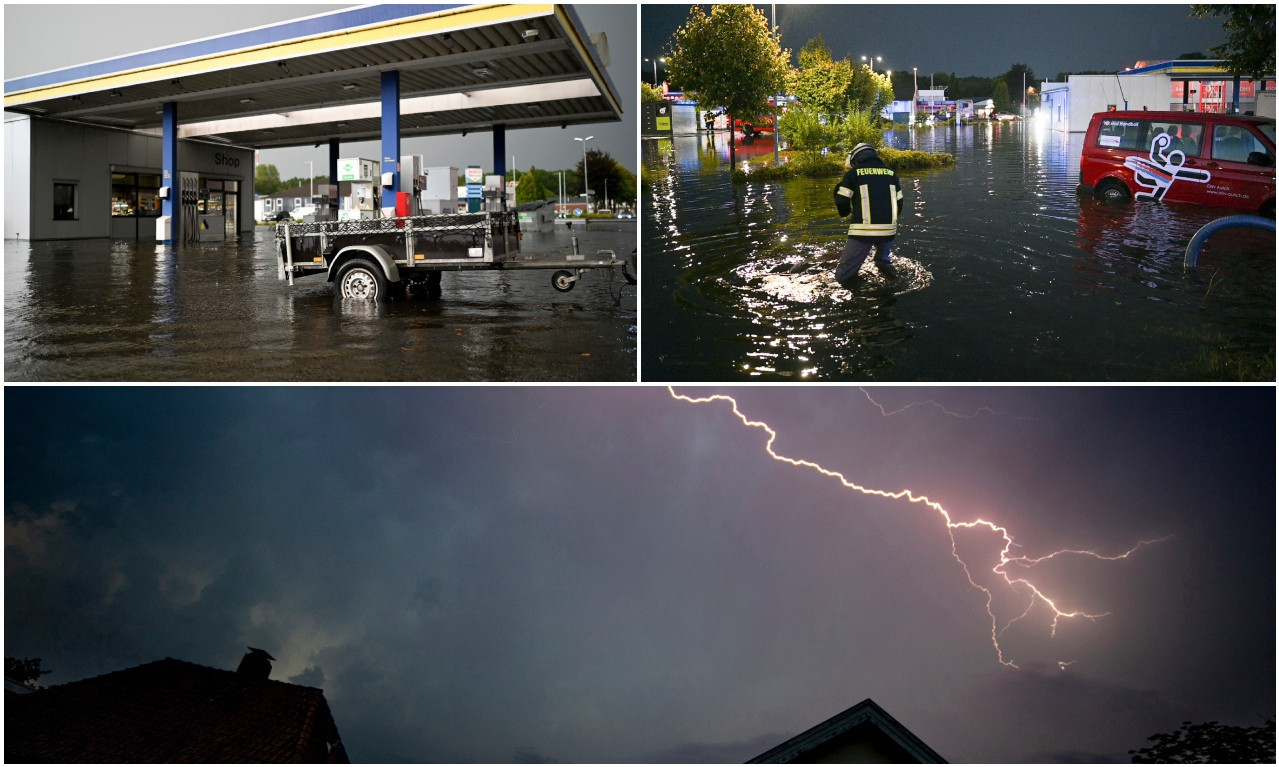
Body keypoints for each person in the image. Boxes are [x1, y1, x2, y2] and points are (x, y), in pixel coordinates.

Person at [833, 142, 904, 289]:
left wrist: (847, 214)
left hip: (863, 231)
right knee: (882, 263)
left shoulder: (854, 174)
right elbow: (900, 203)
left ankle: (855, 296)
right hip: (889, 230)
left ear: (856, 159)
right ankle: (892, 283)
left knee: (843, 276)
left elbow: (841, 198)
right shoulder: (891, 174)